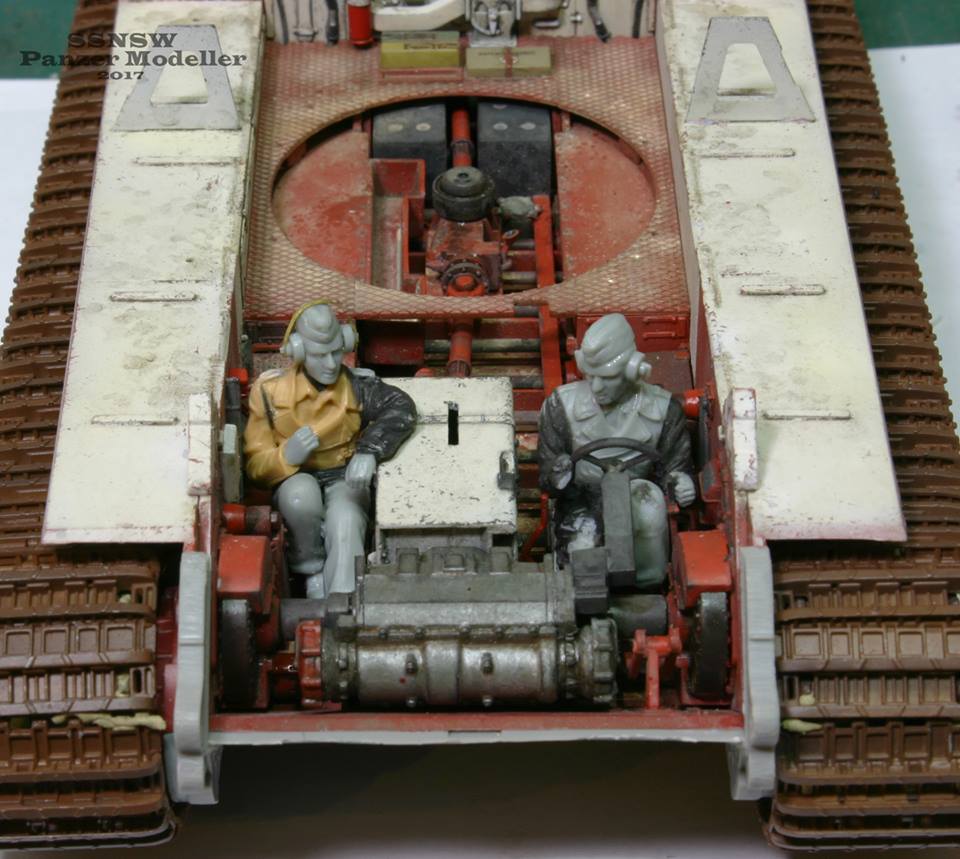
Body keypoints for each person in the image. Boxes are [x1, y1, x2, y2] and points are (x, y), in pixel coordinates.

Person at [244, 302, 416, 598]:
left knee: (346, 519)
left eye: (336, 352)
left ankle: (343, 600)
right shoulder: (269, 393)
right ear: (298, 352)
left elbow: (401, 407)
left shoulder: (360, 387)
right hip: (296, 476)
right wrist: (286, 456)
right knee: (299, 498)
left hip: (344, 475)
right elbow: (255, 467)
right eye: (318, 355)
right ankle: (309, 569)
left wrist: (369, 450)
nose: (331, 363)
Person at [537, 313, 696, 588]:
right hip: (580, 499)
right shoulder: (560, 407)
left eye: (607, 378)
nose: (597, 387)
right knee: (582, 542)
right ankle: (582, 595)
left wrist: (681, 483)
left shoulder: (663, 411)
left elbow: (674, 465)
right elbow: (547, 475)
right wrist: (558, 473)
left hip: (638, 494)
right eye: (590, 376)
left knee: (650, 511)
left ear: (633, 369)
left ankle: (649, 586)